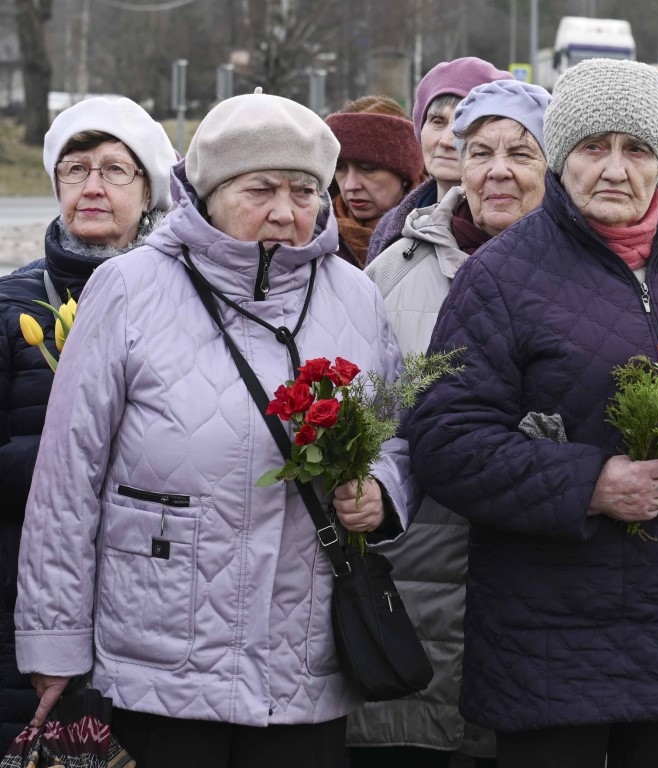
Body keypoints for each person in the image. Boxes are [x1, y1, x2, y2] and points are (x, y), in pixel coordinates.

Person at [404, 58, 658, 768]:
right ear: (562, 155)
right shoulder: (500, 276)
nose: (615, 169)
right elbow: (444, 442)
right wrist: (586, 483)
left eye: (637, 149)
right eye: (594, 147)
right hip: (552, 653)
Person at [14, 89, 416, 767]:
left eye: (304, 190)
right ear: (208, 192)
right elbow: (66, 478)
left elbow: (394, 434)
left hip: (302, 661)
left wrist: (380, 492)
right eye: (261, 188)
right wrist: (53, 642)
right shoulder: (130, 286)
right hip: (158, 661)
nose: (286, 211)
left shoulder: (354, 295)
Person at [348, 78, 552, 768]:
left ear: (551, 166)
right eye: (480, 151)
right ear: (455, 162)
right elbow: (365, 427)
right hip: (417, 587)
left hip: (545, 596)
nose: (498, 170)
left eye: (521, 153)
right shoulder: (391, 274)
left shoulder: (585, 277)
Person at [0, 95, 176, 746]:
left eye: (113, 169)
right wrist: (64, 460)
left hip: (156, 607)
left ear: (148, 188)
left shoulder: (184, 302)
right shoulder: (11, 304)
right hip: (23, 605)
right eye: (75, 169)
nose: (93, 185)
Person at [365, 57, 511, 264]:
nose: (446, 141)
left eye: (464, 125)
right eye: (437, 121)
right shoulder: (390, 228)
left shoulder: (512, 226)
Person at [325, 99, 425, 268]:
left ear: (404, 175)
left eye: (367, 169)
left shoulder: (439, 233)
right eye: (340, 168)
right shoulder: (312, 237)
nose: (350, 185)